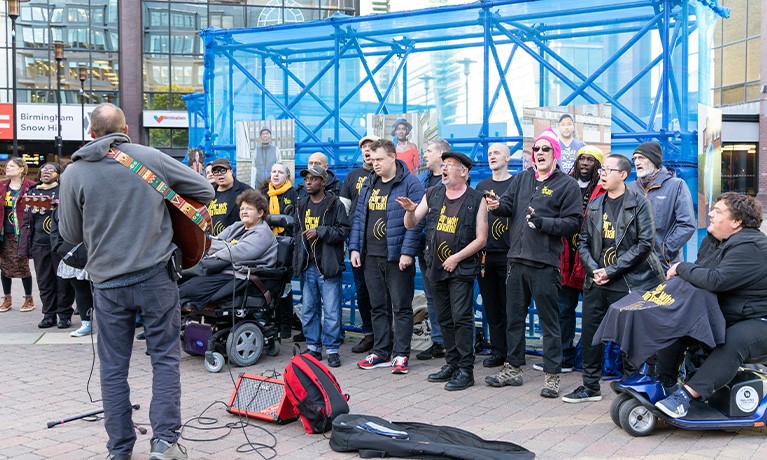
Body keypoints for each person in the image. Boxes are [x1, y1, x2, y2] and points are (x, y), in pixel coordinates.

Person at [58, 102, 214, 460]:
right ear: (125, 129)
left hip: (107, 284)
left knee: (113, 367)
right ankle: (164, 443)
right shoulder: (150, 156)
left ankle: (119, 449)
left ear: (91, 133)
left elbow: (68, 232)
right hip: (155, 276)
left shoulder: (75, 173)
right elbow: (203, 190)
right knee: (164, 359)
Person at [484, 128, 581, 398]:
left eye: (545, 149)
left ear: (555, 154)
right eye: (536, 149)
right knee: (513, 319)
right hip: (515, 260)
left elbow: (574, 223)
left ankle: (552, 376)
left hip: (544, 263)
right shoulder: (523, 178)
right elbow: (508, 207)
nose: (539, 153)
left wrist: (544, 223)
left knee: (550, 323)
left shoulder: (567, 185)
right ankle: (513, 369)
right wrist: (496, 205)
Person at [654, 193, 767, 419]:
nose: (711, 214)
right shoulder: (715, 241)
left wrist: (680, 267)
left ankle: (685, 397)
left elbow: (714, 279)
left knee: (735, 340)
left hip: (759, 321)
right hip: (735, 316)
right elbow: (701, 275)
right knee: (683, 323)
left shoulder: (751, 246)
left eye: (718, 211)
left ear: (736, 222)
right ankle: (664, 383)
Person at [561, 154, 663, 403]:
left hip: (628, 279)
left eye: (608, 170)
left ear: (623, 175)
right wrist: (594, 268)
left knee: (629, 334)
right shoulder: (595, 204)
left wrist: (612, 270)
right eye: (602, 169)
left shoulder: (639, 203)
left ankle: (631, 386)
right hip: (596, 278)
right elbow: (583, 241)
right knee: (590, 334)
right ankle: (589, 386)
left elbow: (645, 244)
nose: (602, 174)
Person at [398, 151, 488, 391]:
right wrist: (409, 210)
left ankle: (466, 370)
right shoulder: (433, 193)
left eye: (450, 165)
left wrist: (456, 258)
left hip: (461, 268)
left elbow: (482, 239)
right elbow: (411, 223)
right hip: (435, 266)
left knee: (461, 318)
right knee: (444, 317)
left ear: (464, 172)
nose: (445, 169)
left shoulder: (476, 198)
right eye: (444, 165)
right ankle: (452, 363)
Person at [350, 139, 424, 375]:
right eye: (373, 159)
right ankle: (381, 351)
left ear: (393, 157)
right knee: (377, 306)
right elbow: (360, 217)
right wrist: (354, 247)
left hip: (396, 257)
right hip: (371, 255)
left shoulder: (410, 183)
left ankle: (401, 354)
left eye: (380, 159)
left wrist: (407, 252)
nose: (375, 163)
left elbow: (417, 223)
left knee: (401, 307)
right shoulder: (369, 183)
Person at [533, 145, 605, 373]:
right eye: (581, 159)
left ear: (598, 165)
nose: (584, 163)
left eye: (590, 160)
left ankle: (589, 360)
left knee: (594, 313)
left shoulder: (603, 189)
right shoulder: (563, 183)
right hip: (564, 257)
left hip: (592, 259)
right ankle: (562, 357)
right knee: (563, 309)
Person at [180, 189, 277, 311]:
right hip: (222, 270)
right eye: (242, 209)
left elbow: (238, 252)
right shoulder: (238, 226)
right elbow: (212, 243)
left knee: (187, 290)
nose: (244, 212)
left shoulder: (263, 233)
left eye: (249, 209)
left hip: (242, 277)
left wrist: (219, 251)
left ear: (260, 213)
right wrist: (223, 249)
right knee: (179, 282)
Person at [293, 165, 350, 368]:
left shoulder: (334, 204)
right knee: (308, 309)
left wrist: (321, 231)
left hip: (327, 265)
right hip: (308, 265)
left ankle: (332, 349)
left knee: (332, 311)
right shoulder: (302, 204)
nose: (308, 182)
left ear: (323, 182)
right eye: (306, 179)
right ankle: (313, 347)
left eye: (313, 179)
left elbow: (343, 231)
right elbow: (296, 232)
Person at [19, 162, 75, 328]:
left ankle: (64, 314)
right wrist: (24, 245)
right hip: (39, 243)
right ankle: (49, 315)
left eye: (51, 170)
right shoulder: (32, 191)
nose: (46, 172)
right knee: (44, 281)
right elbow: (26, 221)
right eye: (44, 169)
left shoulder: (64, 191)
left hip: (60, 243)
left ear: (59, 174)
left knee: (63, 281)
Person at [474, 143, 514, 368]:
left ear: (507, 157)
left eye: (496, 153)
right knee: (492, 306)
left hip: (510, 255)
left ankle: (513, 353)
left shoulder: (516, 183)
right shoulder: (482, 186)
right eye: (489, 154)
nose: (492, 157)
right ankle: (499, 351)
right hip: (486, 255)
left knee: (511, 306)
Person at [627, 142, 695, 272]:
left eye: (641, 158)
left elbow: (687, 225)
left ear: (654, 160)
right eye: (634, 159)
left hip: (665, 265)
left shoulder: (677, 185)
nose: (636, 162)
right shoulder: (630, 188)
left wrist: (664, 250)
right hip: (635, 264)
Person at [340, 134, 379, 354]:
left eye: (371, 146)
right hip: (357, 244)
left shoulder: (387, 175)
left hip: (379, 243)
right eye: (364, 147)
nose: (367, 150)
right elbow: (343, 210)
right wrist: (348, 240)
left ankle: (385, 336)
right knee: (362, 291)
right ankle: (369, 334)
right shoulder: (353, 176)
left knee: (381, 293)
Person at [415, 138, 451, 361]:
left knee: (449, 297)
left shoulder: (452, 180)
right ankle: (438, 342)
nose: (425, 155)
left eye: (428, 151)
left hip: (446, 248)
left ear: (441, 154)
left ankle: (453, 343)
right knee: (431, 296)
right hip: (425, 246)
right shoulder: (421, 180)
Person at [260, 162, 297, 338]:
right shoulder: (262, 194)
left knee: (285, 288)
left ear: (287, 176)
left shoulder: (293, 193)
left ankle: (285, 325)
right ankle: (269, 322)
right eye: (273, 171)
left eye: (280, 172)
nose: (276, 175)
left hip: (286, 247)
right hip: (266, 246)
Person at [0, 157, 36, 313]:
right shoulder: (1, 186)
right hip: (4, 232)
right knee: (4, 266)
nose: (7, 169)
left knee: (23, 265)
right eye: (6, 166)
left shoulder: (31, 186)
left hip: (22, 233)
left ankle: (29, 298)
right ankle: (7, 299)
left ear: (21, 169)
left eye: (11, 166)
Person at [206, 157, 253, 237]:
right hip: (212, 242)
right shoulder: (209, 194)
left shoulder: (246, 191)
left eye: (223, 170)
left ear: (231, 171)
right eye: (215, 172)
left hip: (236, 241)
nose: (219, 174)